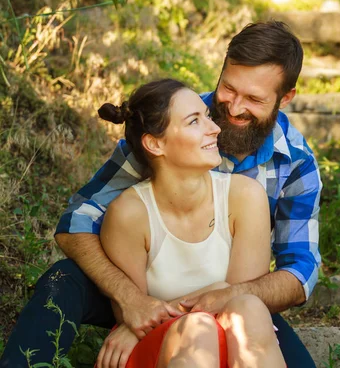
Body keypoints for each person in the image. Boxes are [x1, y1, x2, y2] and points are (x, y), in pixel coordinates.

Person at [0, 21, 321, 368]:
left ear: (285, 98)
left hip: (232, 300)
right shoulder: (168, 122)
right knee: (62, 280)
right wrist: (131, 303)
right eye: (229, 88)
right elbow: (78, 221)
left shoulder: (295, 162)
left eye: (255, 99)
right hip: (141, 283)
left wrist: (220, 299)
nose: (232, 108)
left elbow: (300, 268)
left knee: (269, 338)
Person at [94, 78, 285, 367]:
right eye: (195, 121)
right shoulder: (130, 213)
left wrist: (179, 304)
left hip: (234, 343)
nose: (215, 128)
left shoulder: (244, 196)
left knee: (248, 306)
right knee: (199, 328)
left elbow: (240, 292)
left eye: (207, 116)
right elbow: (133, 313)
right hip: (158, 348)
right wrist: (209, 298)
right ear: (155, 143)